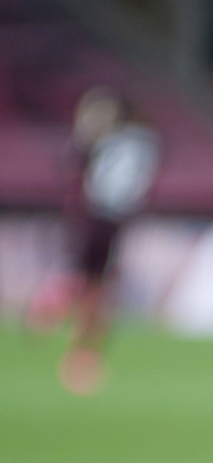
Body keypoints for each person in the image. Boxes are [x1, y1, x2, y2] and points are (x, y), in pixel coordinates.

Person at [56, 88, 162, 395]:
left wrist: (85, 134)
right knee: (99, 286)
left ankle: (78, 348)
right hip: (119, 220)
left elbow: (72, 162)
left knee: (89, 283)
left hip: (96, 216)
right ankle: (86, 347)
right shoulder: (147, 142)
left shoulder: (107, 138)